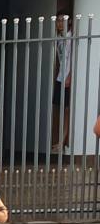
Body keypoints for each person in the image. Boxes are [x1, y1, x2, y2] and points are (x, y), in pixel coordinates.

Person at [51, 15, 73, 153]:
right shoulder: (59, 38)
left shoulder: (71, 38)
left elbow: (72, 59)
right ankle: (60, 140)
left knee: (66, 110)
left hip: (66, 78)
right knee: (59, 108)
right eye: (58, 21)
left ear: (69, 21)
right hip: (60, 77)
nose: (59, 23)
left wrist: (69, 77)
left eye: (61, 20)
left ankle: (63, 141)